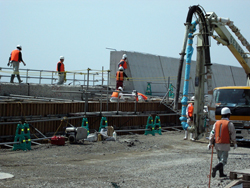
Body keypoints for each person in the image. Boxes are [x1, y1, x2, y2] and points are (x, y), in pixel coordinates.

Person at [208, 107, 237, 178]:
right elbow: (233, 134)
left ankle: (221, 174)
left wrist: (210, 142)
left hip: (217, 144)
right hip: (225, 144)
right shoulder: (229, 124)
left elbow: (212, 133)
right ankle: (216, 168)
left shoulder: (216, 123)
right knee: (223, 161)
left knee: (219, 159)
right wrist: (234, 143)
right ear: (228, 115)